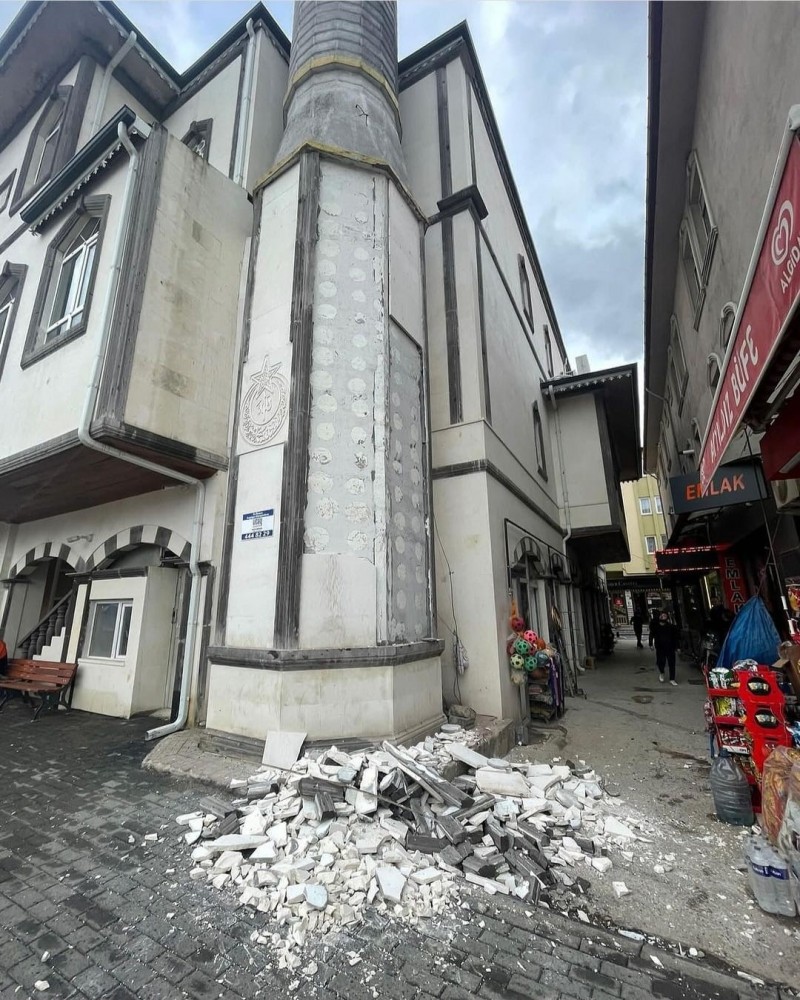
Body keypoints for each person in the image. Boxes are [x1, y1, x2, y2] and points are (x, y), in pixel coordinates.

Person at [652, 611, 680, 685]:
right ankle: (662, 672)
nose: (663, 617)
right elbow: (651, 634)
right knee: (660, 662)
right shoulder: (656, 626)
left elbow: (675, 637)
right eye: (662, 615)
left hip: (670, 647)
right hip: (660, 648)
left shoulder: (671, 627)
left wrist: (677, 647)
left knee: (672, 663)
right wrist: (651, 644)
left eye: (665, 616)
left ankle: (672, 679)